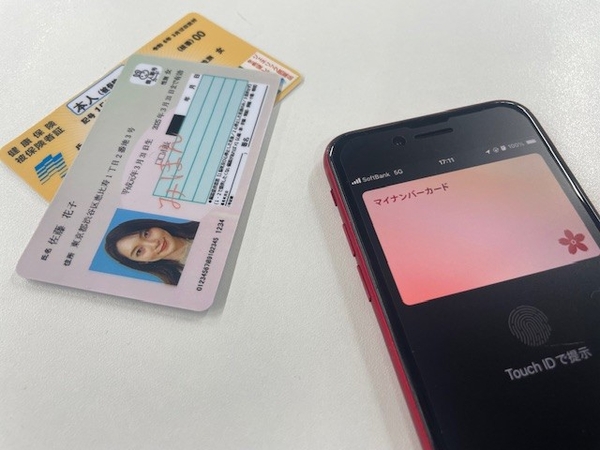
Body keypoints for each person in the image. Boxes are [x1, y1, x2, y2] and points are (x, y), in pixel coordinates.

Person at [104, 218, 199, 285]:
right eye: (139, 251)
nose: (154, 244)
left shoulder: (203, 222)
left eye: (146, 234)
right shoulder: (182, 285)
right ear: (142, 262)